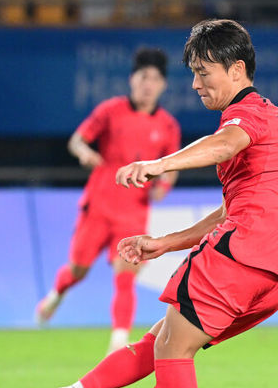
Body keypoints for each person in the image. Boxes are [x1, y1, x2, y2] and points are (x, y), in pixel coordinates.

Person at [29, 19, 278, 388]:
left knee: (171, 348)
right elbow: (231, 207)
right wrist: (165, 242)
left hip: (245, 251)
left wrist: (157, 164)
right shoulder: (272, 118)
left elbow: (224, 144)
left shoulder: (247, 117)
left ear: (238, 69)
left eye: (204, 73)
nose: (196, 84)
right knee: (163, 342)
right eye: (193, 74)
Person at [35, 47, 181, 354]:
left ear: (163, 85)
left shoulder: (168, 125)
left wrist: (163, 186)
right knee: (78, 270)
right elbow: (76, 139)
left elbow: (172, 168)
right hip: (99, 204)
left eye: (154, 79)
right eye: (143, 77)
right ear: (132, 80)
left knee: (126, 273)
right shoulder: (111, 110)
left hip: (134, 210)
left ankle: (118, 342)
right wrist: (84, 152)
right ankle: (56, 295)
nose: (148, 84)